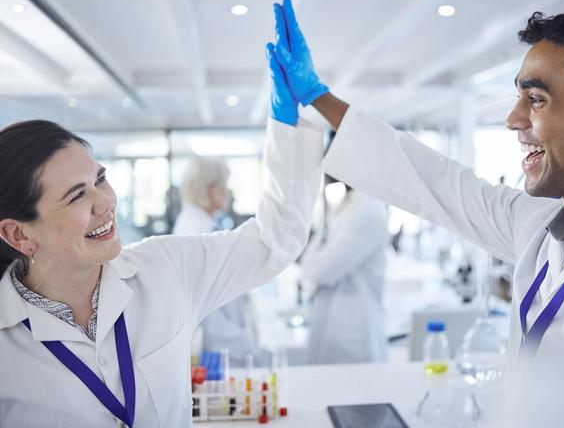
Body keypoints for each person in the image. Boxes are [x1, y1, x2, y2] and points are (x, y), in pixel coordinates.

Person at [266, 0, 564, 425]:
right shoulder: (535, 226)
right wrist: (316, 96)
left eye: (536, 98)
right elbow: (430, 179)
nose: (512, 119)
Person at [0, 87, 323, 427]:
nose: (106, 202)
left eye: (100, 180)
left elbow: (272, 240)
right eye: (77, 196)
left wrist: (289, 126)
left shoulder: (165, 268)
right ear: (19, 235)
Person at [173, 157, 268, 367]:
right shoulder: (200, 233)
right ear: (212, 190)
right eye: (225, 186)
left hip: (224, 343)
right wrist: (244, 342)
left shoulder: (196, 225)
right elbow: (211, 312)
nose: (229, 192)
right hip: (222, 348)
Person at [300, 174, 389, 364]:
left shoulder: (368, 210)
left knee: (357, 391)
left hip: (354, 332)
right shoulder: (346, 204)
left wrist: (313, 264)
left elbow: (319, 271)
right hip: (332, 324)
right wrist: (312, 264)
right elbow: (307, 266)